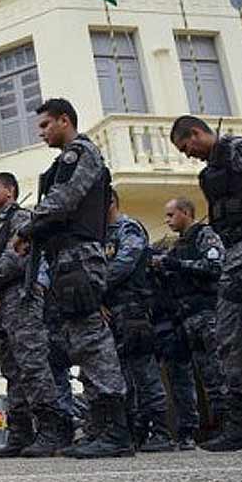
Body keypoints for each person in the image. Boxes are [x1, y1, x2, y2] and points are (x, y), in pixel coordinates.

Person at [14, 98, 131, 459]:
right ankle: (101, 428)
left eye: (47, 125)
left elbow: (65, 200)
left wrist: (28, 227)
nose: (42, 133)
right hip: (66, 259)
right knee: (81, 343)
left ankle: (116, 431)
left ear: (65, 120)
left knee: (92, 342)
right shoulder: (66, 159)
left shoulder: (81, 154)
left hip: (79, 257)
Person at [169, 115, 242, 451]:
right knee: (228, 339)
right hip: (234, 261)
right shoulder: (208, 174)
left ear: (196, 133)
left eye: (186, 146)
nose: (187, 154)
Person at [0, 172, 71, 457]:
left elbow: (16, 257)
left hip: (21, 298)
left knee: (33, 364)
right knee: (11, 369)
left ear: (10, 190)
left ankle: (50, 430)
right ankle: (20, 432)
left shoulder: (21, 220)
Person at [152, 196, 226, 444]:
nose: (167, 221)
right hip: (185, 319)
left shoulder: (205, 236)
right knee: (198, 376)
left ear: (186, 212)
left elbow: (215, 266)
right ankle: (194, 431)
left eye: (171, 215)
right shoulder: (178, 245)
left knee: (216, 372)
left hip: (207, 313)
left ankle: (227, 427)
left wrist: (176, 264)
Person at [103, 190, 172, 452]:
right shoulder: (99, 236)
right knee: (119, 374)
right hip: (109, 312)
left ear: (109, 201)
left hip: (133, 310)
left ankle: (161, 431)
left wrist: (97, 288)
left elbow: (125, 263)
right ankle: (134, 430)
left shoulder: (128, 228)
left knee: (144, 370)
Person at [149, 236, 200, 450]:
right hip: (151, 327)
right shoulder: (146, 271)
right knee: (154, 382)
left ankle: (187, 431)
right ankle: (162, 431)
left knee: (180, 380)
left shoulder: (172, 271)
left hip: (171, 326)